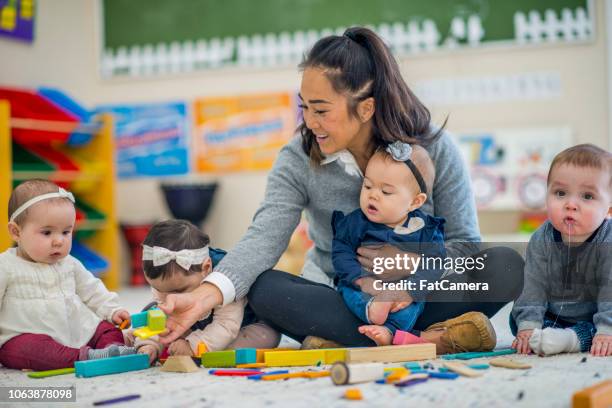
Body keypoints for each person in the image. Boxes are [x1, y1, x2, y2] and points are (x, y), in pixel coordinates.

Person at [158, 27, 524, 353]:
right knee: (266, 288)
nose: (310, 122)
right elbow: (264, 236)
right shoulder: (298, 157)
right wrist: (207, 294)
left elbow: (465, 243)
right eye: (305, 109)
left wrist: (413, 265)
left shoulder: (435, 149)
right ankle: (431, 339)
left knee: (506, 266)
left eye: (321, 110)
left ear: (365, 108)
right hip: (346, 298)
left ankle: (371, 337)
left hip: (421, 294)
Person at [0, 179, 135, 371]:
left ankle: (112, 348)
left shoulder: (69, 263)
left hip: (76, 330)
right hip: (27, 335)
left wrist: (112, 310)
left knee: (106, 328)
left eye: (66, 232)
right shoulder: (6, 266)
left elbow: (92, 289)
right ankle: (87, 356)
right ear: (16, 232)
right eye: (47, 233)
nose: (59, 241)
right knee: (25, 350)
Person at [332, 143, 445, 346]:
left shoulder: (425, 229)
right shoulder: (355, 222)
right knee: (348, 292)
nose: (373, 195)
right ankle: (372, 310)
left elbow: (435, 263)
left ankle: (389, 332)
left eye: (386, 192)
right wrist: (361, 280)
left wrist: (410, 290)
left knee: (412, 306)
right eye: (367, 186)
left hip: (401, 290)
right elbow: (341, 253)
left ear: (415, 202)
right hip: (363, 285)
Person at [126, 220, 279, 364]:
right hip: (196, 325)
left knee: (264, 336)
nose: (169, 298)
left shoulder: (225, 277)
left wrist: (192, 345)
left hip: (242, 325)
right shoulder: (172, 287)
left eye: (178, 291)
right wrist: (150, 344)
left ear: (205, 269)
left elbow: (226, 325)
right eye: (159, 289)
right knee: (153, 314)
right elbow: (161, 320)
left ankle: (200, 349)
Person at [511, 144, 612, 357]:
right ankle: (555, 336)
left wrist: (606, 330)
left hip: (597, 316)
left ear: (609, 208)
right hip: (553, 316)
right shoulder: (542, 238)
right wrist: (528, 325)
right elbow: (533, 285)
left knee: (604, 333)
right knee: (519, 322)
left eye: (587, 196)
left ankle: (573, 339)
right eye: (560, 193)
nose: (570, 204)